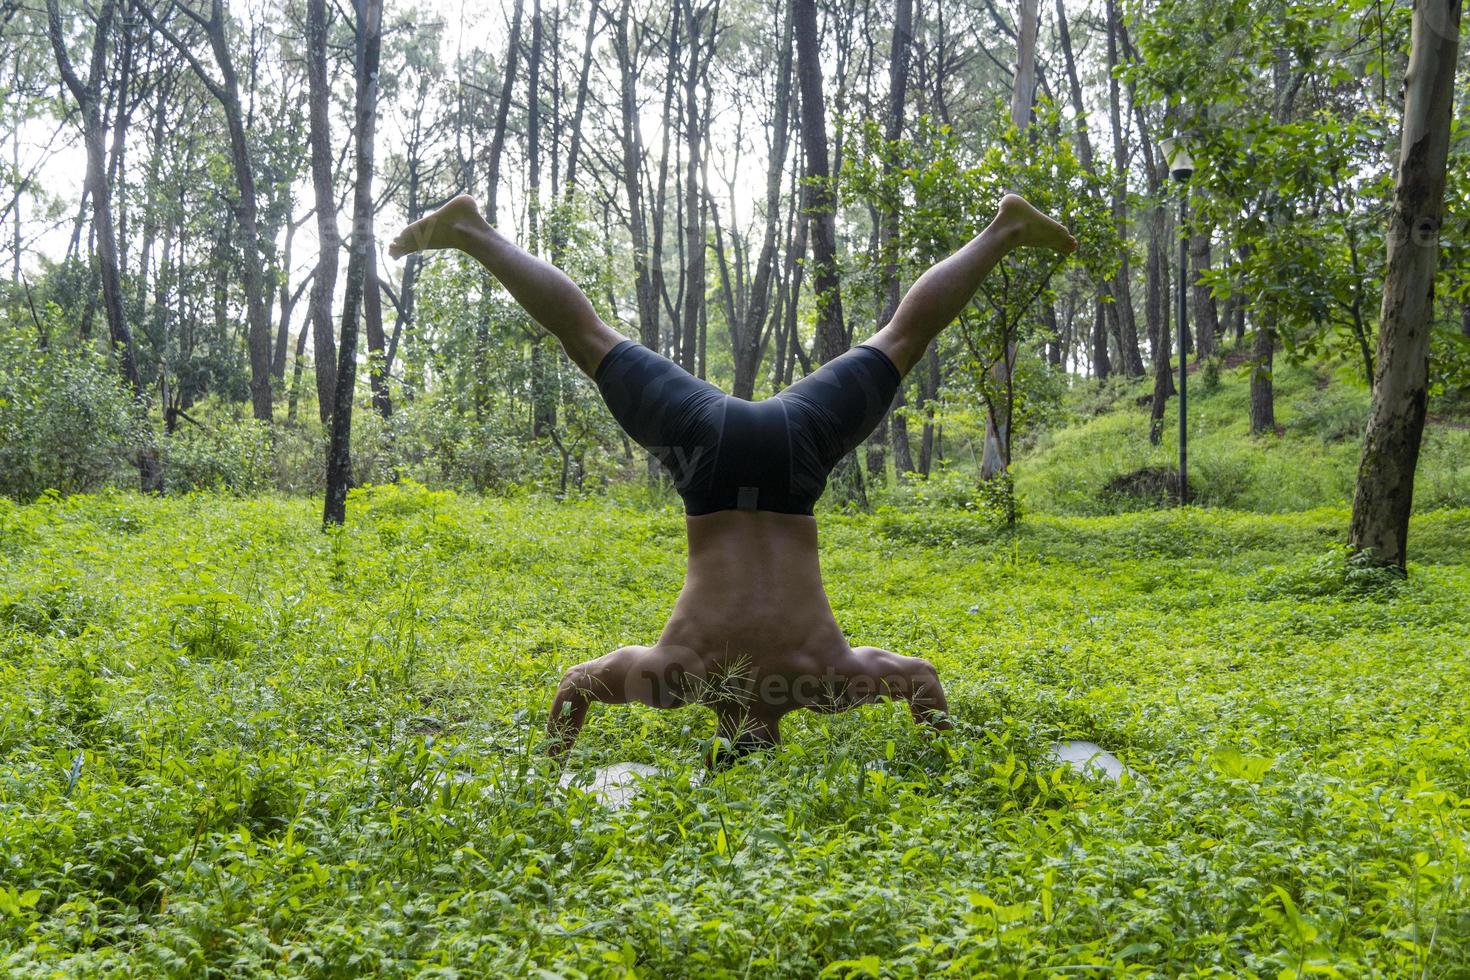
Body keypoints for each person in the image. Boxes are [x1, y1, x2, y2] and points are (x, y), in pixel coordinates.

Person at [388, 192, 1077, 767]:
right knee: (590, 339)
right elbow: (574, 688)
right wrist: (551, 764)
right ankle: (473, 231)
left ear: (763, 743)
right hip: (708, 459)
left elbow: (921, 680)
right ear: (723, 740)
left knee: (900, 340)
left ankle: (1004, 228)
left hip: (791, 457)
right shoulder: (681, 676)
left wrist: (938, 753)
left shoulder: (819, 684)